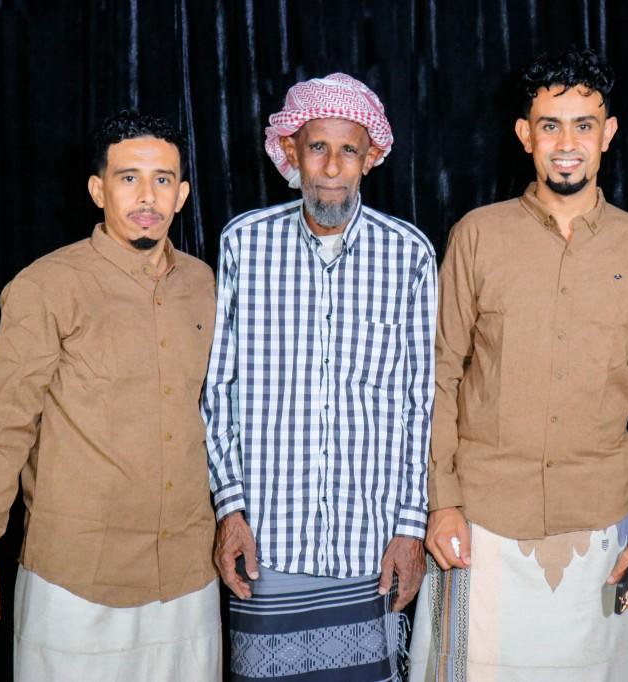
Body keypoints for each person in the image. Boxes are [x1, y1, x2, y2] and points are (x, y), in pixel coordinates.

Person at [409, 50, 628, 681]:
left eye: (583, 125)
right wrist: (441, 502)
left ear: (608, 134)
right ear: (524, 134)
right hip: (481, 525)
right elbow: (439, 375)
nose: (566, 144)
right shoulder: (478, 236)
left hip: (599, 533)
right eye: (550, 125)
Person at [0, 110, 221, 680]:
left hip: (187, 576)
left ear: (182, 194)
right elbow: (4, 431)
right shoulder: (46, 287)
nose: (146, 196)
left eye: (162, 179)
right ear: (98, 190)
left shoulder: (203, 285)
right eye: (128, 178)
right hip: (77, 580)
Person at [203, 73, 436, 681]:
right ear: (291, 150)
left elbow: (420, 404)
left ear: (371, 157)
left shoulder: (409, 255)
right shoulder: (244, 244)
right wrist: (230, 510)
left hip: (372, 544)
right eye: (317, 148)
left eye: (349, 150)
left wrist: (410, 529)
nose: (332, 167)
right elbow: (218, 390)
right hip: (266, 542)